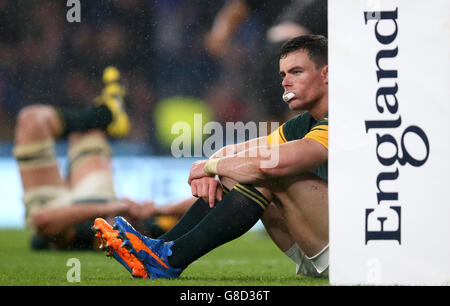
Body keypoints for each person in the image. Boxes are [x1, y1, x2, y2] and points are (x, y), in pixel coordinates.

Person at [96, 34, 329, 279]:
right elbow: (236, 151)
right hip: (317, 247)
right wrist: (210, 167)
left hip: (347, 250)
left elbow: (271, 164)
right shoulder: (303, 124)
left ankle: (169, 258)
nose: (286, 82)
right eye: (283, 75)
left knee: (267, 171)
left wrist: (214, 168)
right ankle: (157, 248)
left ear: (326, 74)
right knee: (241, 172)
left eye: (296, 72)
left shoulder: (343, 120)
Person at [12, 65, 196, 252]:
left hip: (62, 207)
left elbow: (43, 220)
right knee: (88, 133)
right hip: (96, 197)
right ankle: (108, 115)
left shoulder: (90, 234)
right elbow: (209, 203)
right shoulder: (153, 228)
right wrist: (159, 210)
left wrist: (112, 207)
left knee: (31, 119)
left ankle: (107, 115)